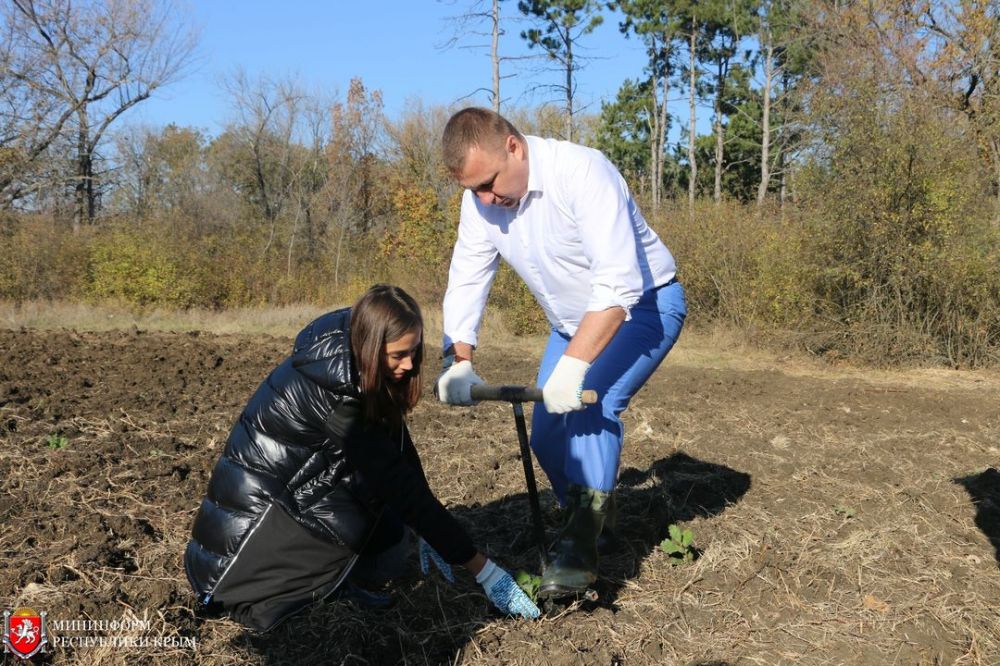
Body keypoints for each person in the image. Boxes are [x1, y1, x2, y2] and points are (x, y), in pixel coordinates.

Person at [435, 108, 687, 601]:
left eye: (488, 183)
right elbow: (467, 277)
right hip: (573, 325)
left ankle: (578, 549)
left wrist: (574, 367)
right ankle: (592, 514)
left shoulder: (583, 171)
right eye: (473, 190)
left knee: (591, 404)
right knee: (548, 436)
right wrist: (457, 359)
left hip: (644, 307)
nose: (486, 198)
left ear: (514, 146)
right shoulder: (480, 202)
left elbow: (618, 285)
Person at [184, 284, 539, 633]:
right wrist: (485, 570)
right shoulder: (337, 396)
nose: (409, 364)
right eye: (398, 354)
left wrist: (432, 527)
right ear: (370, 345)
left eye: (414, 351)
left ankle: (341, 580)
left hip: (283, 496)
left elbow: (397, 448)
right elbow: (396, 483)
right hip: (244, 540)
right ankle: (311, 591)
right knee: (386, 541)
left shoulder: (349, 356)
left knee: (391, 536)